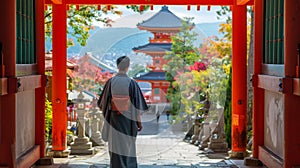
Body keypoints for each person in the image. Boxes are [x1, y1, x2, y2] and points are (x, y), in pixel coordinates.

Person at [98, 56, 148, 168]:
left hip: (113, 119)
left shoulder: (110, 82)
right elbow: (137, 107)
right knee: (128, 146)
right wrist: (138, 123)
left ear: (117, 66)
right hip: (129, 120)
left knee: (115, 146)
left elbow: (103, 103)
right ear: (128, 66)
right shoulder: (132, 83)